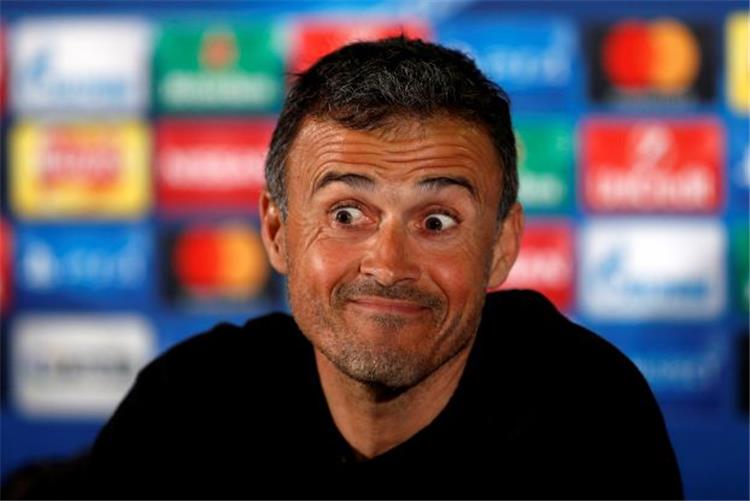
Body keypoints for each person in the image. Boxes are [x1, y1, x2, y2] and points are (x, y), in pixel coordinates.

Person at [84, 37, 683, 499]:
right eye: (346, 214)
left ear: (502, 246)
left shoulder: (591, 421)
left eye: (437, 221)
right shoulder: (184, 406)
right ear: (277, 231)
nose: (389, 264)